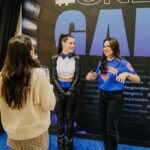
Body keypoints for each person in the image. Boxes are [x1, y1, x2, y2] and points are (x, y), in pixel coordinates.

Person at [0, 35, 56, 150]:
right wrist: (49, 84)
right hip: (34, 134)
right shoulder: (39, 74)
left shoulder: (3, 75)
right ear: (30, 51)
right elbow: (49, 105)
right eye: (32, 47)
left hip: (13, 134)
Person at [86, 37, 140, 150]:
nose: (105, 48)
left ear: (114, 48)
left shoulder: (123, 63)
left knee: (111, 129)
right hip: (102, 97)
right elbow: (96, 77)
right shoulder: (101, 62)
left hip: (115, 99)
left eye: (108, 46)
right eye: (104, 46)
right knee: (104, 129)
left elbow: (137, 79)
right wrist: (89, 77)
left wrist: (127, 74)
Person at [51, 34, 80, 150]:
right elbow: (53, 77)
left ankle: (68, 144)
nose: (73, 45)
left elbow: (77, 77)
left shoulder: (77, 58)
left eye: (74, 43)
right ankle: (60, 144)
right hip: (59, 92)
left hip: (71, 92)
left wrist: (70, 91)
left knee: (69, 119)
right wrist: (62, 92)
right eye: (70, 43)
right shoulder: (54, 58)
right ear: (63, 43)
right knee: (60, 119)